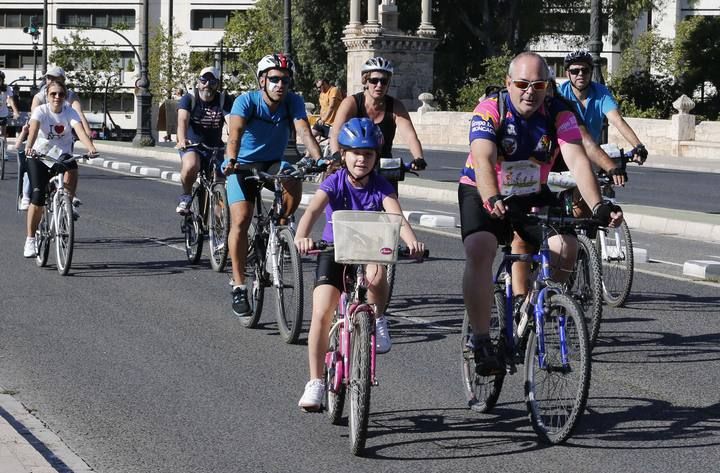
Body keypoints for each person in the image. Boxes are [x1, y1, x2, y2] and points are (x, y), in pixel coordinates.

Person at [458, 52, 622, 375]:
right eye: (521, 84)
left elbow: (576, 160)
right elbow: (483, 157)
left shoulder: (558, 112)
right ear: (509, 84)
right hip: (483, 188)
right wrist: (491, 196)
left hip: (530, 191)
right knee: (481, 249)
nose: (529, 91)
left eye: (538, 85)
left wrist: (599, 206)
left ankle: (532, 303)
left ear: (548, 87)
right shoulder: (490, 109)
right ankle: (479, 341)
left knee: (566, 247)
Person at [294, 117, 425, 411]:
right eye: (355, 153)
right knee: (321, 312)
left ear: (375, 157)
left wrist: (412, 241)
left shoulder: (380, 185)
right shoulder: (334, 181)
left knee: (377, 276)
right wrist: (302, 236)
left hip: (369, 248)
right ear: (344, 155)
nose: (361, 159)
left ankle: (377, 319)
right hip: (334, 250)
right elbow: (313, 210)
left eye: (368, 154)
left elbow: (396, 217)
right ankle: (315, 381)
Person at [223, 53, 322, 316]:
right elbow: (235, 135)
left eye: (285, 81)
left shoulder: (293, 101)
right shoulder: (246, 102)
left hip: (272, 162)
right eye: (275, 79)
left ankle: (279, 233)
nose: (280, 85)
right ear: (262, 81)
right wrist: (231, 159)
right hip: (241, 164)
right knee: (242, 219)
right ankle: (239, 286)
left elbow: (304, 131)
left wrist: (320, 160)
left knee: (293, 178)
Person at [23, 80, 97, 257]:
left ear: (65, 96)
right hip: (39, 154)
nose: (57, 97)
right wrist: (29, 146)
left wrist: (90, 147)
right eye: (53, 94)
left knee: (73, 167)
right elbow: (33, 130)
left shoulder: (69, 111)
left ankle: (67, 201)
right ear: (47, 96)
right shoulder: (41, 111)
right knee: (38, 196)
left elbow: (79, 130)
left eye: (61, 94)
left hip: (61, 155)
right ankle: (31, 239)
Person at [330, 56, 427, 191]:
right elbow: (336, 132)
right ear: (365, 81)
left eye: (384, 81)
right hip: (356, 162)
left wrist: (418, 158)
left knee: (390, 205)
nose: (379, 85)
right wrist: (336, 155)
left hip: (384, 166)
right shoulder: (351, 103)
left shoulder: (396, 106)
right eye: (374, 80)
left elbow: (410, 136)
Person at [558, 49, 648, 162]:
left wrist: (638, 146)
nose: (580, 74)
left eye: (585, 70)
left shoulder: (601, 92)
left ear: (591, 72)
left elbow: (617, 120)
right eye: (575, 71)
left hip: (592, 154)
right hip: (563, 155)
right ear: (567, 74)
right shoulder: (559, 93)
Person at [175, 68, 232, 214]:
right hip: (192, 145)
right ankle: (186, 196)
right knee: (191, 165)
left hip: (215, 147)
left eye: (212, 82)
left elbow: (231, 122)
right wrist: (182, 140)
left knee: (220, 179)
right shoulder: (189, 98)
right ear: (198, 82)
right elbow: (182, 120)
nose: (207, 85)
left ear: (217, 84)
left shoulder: (223, 100)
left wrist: (235, 138)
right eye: (204, 81)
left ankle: (220, 223)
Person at [31, 67, 93, 139]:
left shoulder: (71, 96)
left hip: (64, 135)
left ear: (63, 80)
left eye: (54, 78)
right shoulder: (40, 97)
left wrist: (88, 132)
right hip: (44, 136)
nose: (51, 81)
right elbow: (34, 116)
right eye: (48, 78)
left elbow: (79, 113)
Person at [0, 70, 21, 158]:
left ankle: (4, 152)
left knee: (3, 133)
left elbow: (11, 101)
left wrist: (16, 112)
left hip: (2, 113)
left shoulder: (7, 88)